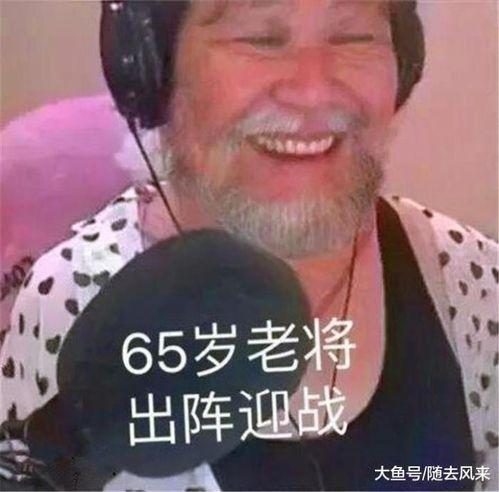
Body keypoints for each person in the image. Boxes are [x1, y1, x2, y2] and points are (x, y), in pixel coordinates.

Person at [0, 1, 497, 490]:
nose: (313, 90)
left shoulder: (470, 280)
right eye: (259, 38)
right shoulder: (70, 297)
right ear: (153, 72)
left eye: (354, 37)